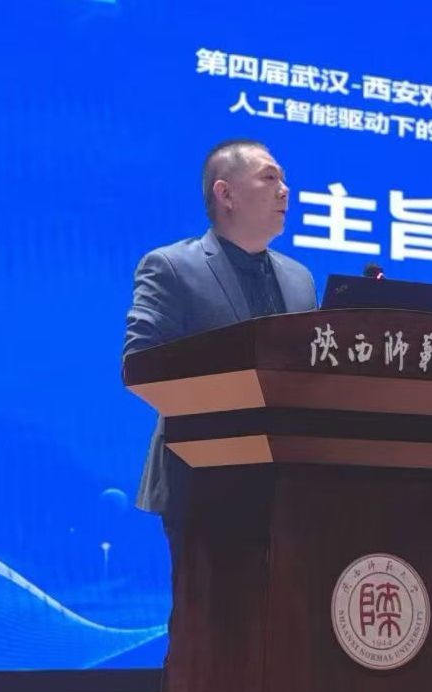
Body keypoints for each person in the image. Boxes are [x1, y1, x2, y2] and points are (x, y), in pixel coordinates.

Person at [122, 137, 316, 591]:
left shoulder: (300, 278)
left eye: (284, 179)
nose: (285, 190)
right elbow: (141, 363)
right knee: (211, 622)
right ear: (225, 193)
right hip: (201, 484)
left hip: (289, 488)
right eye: (270, 178)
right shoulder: (171, 267)